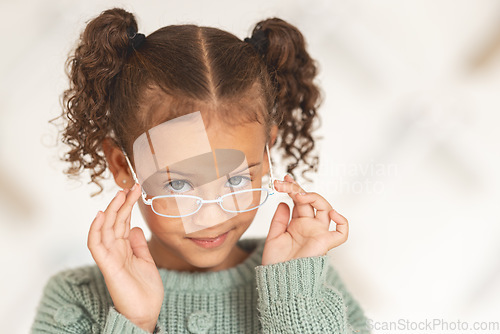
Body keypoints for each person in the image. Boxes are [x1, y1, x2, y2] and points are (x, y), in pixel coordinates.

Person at [31, 7, 370, 334]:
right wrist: (135, 322)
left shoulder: (311, 282)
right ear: (123, 165)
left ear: (265, 156)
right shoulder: (76, 299)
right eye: (178, 184)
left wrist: (294, 298)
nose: (210, 217)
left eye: (236, 180)